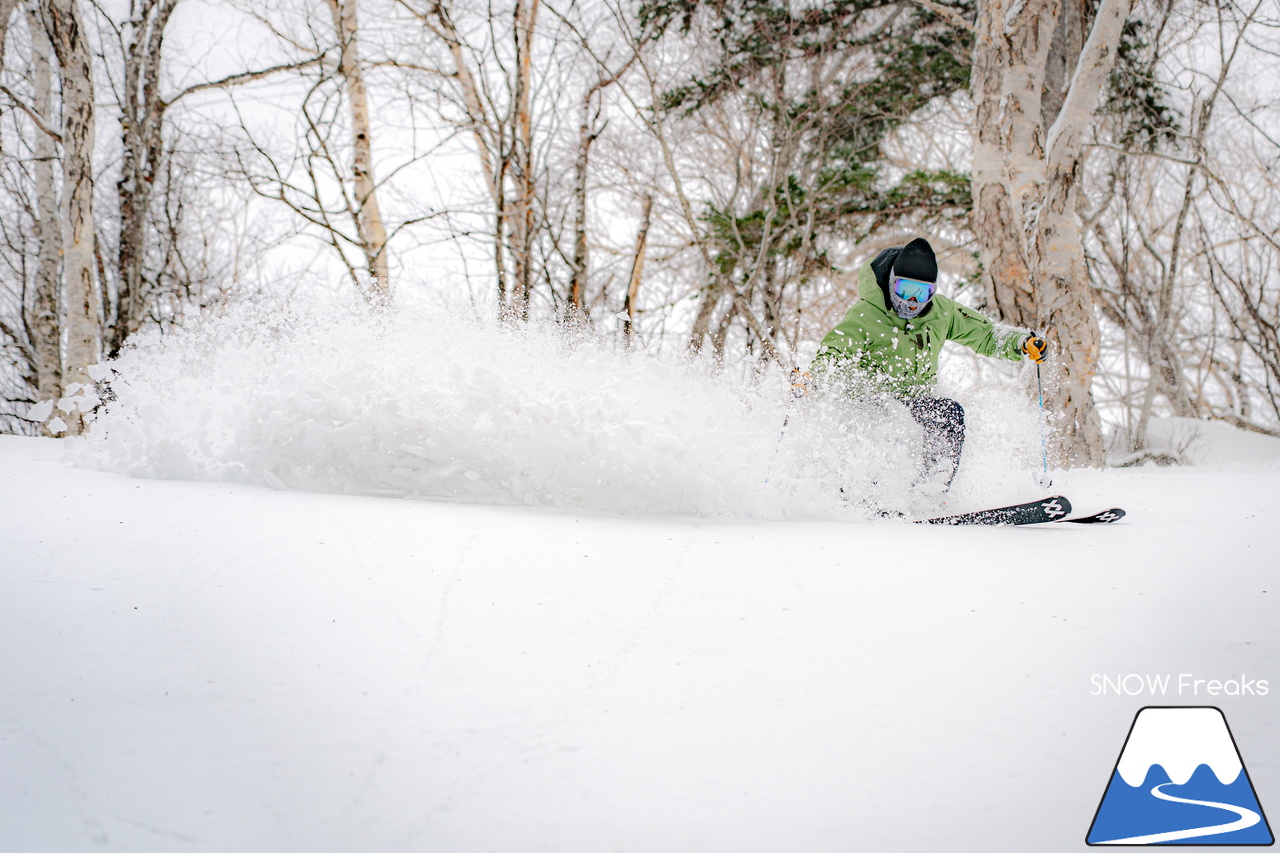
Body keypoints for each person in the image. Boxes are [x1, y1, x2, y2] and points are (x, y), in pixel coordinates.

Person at [811, 236, 1047, 497]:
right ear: (891, 283)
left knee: (947, 414)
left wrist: (1021, 344)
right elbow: (833, 354)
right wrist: (813, 380)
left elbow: (986, 334)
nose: (912, 300)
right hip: (867, 407)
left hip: (914, 404)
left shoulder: (940, 312)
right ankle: (865, 495)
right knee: (888, 427)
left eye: (922, 292)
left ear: (932, 291)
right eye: (905, 290)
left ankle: (929, 494)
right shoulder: (866, 314)